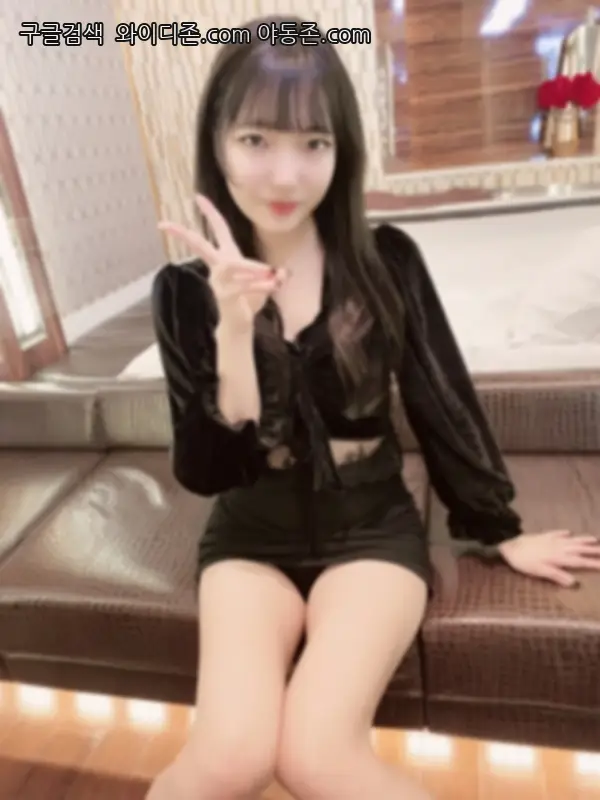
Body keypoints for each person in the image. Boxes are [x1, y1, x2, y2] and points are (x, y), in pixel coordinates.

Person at [146, 15, 600, 800]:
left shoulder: (386, 260)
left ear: (342, 150)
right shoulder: (183, 291)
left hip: (371, 531)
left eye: (313, 143)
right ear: (217, 143)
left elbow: (440, 397)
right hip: (249, 537)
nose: (285, 174)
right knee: (227, 759)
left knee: (316, 754)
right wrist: (233, 329)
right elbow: (208, 471)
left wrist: (498, 528)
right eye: (256, 139)